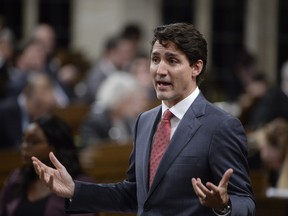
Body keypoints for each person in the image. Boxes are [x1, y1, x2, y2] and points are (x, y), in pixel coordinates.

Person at [32, 23, 255, 215]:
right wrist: (75, 190)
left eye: (172, 61)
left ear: (196, 67)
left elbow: (245, 202)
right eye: (155, 59)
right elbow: (133, 194)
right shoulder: (145, 121)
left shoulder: (221, 125)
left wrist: (224, 206)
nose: (160, 70)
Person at [0, 115, 96, 216]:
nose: (24, 146)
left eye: (33, 142)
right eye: (24, 140)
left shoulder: (79, 185)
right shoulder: (17, 177)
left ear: (56, 146)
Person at [80, 72, 149, 146]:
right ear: (117, 100)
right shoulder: (95, 123)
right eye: (130, 101)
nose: (134, 106)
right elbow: (93, 149)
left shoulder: (127, 120)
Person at [0, 72, 57, 149]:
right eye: (38, 105)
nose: (42, 112)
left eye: (46, 108)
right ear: (27, 95)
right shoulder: (3, 112)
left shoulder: (45, 116)